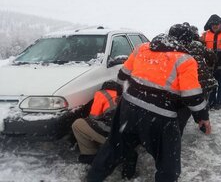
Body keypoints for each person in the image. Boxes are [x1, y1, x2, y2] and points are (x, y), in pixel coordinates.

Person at [86, 24, 211, 182]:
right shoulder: (185, 60)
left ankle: (93, 178)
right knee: (168, 163)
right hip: (160, 117)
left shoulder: (142, 48)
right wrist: (202, 117)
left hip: (128, 109)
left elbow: (122, 75)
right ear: (186, 41)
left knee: (113, 147)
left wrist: (119, 94)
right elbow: (191, 95)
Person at [177, 24, 218, 135]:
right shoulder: (198, 45)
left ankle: (178, 130)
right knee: (201, 105)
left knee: (186, 106)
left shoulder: (177, 46)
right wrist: (208, 68)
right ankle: (202, 124)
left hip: (188, 82)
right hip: (204, 82)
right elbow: (212, 56)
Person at [71, 80, 121, 164]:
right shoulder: (123, 95)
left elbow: (94, 117)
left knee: (78, 124)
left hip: (113, 136)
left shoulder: (102, 94)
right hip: (126, 135)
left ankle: (90, 156)